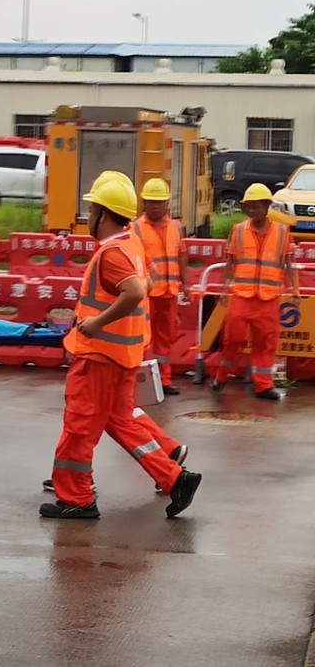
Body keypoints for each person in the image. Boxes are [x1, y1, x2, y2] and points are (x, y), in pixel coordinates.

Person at [42, 171, 200, 520]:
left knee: (79, 427)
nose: (88, 218)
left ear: (102, 213)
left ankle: (77, 498)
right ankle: (176, 478)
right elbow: (137, 286)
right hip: (122, 355)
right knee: (122, 422)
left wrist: (96, 323)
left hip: (100, 356)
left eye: (91, 210)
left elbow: (135, 291)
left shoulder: (111, 253)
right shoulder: (131, 244)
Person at [214, 182, 297, 399]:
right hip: (242, 295)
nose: (252, 211)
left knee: (266, 343)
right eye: (249, 207)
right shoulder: (238, 230)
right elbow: (229, 263)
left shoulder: (282, 232)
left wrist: (295, 289)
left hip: (268, 299)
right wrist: (224, 289)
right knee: (232, 339)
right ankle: (221, 376)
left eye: (256, 207)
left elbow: (290, 263)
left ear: (267, 206)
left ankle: (263, 386)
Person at [135, 178, 185, 396]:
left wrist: (188, 284)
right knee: (143, 338)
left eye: (159, 202)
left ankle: (164, 381)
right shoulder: (135, 228)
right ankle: (144, 382)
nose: (155, 206)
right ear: (144, 203)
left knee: (165, 339)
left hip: (169, 293)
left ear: (166, 204)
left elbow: (181, 255)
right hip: (146, 294)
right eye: (151, 202)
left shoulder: (176, 226)